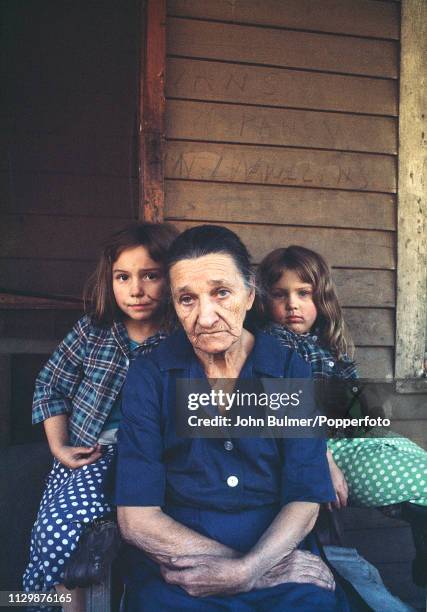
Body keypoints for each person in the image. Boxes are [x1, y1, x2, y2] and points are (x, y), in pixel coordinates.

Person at [115, 225, 350, 611]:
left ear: (249, 294)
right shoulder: (151, 374)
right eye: (187, 299)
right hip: (183, 564)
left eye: (221, 293)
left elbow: (305, 496)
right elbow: (137, 519)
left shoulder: (287, 368)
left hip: (277, 549)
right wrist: (250, 571)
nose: (206, 317)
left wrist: (250, 569)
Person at [22, 222, 178, 611]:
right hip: (93, 455)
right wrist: (59, 446)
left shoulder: (183, 337)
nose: (136, 289)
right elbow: (50, 386)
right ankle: (42, 604)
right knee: (57, 532)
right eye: (123, 277)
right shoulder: (94, 331)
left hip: (157, 461)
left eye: (151, 276)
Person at [256, 244, 427, 586]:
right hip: (320, 451)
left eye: (304, 293)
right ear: (263, 300)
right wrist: (325, 459)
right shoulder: (274, 343)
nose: (292, 304)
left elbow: (359, 412)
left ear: (321, 298)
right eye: (280, 294)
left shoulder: (327, 344)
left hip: (352, 441)